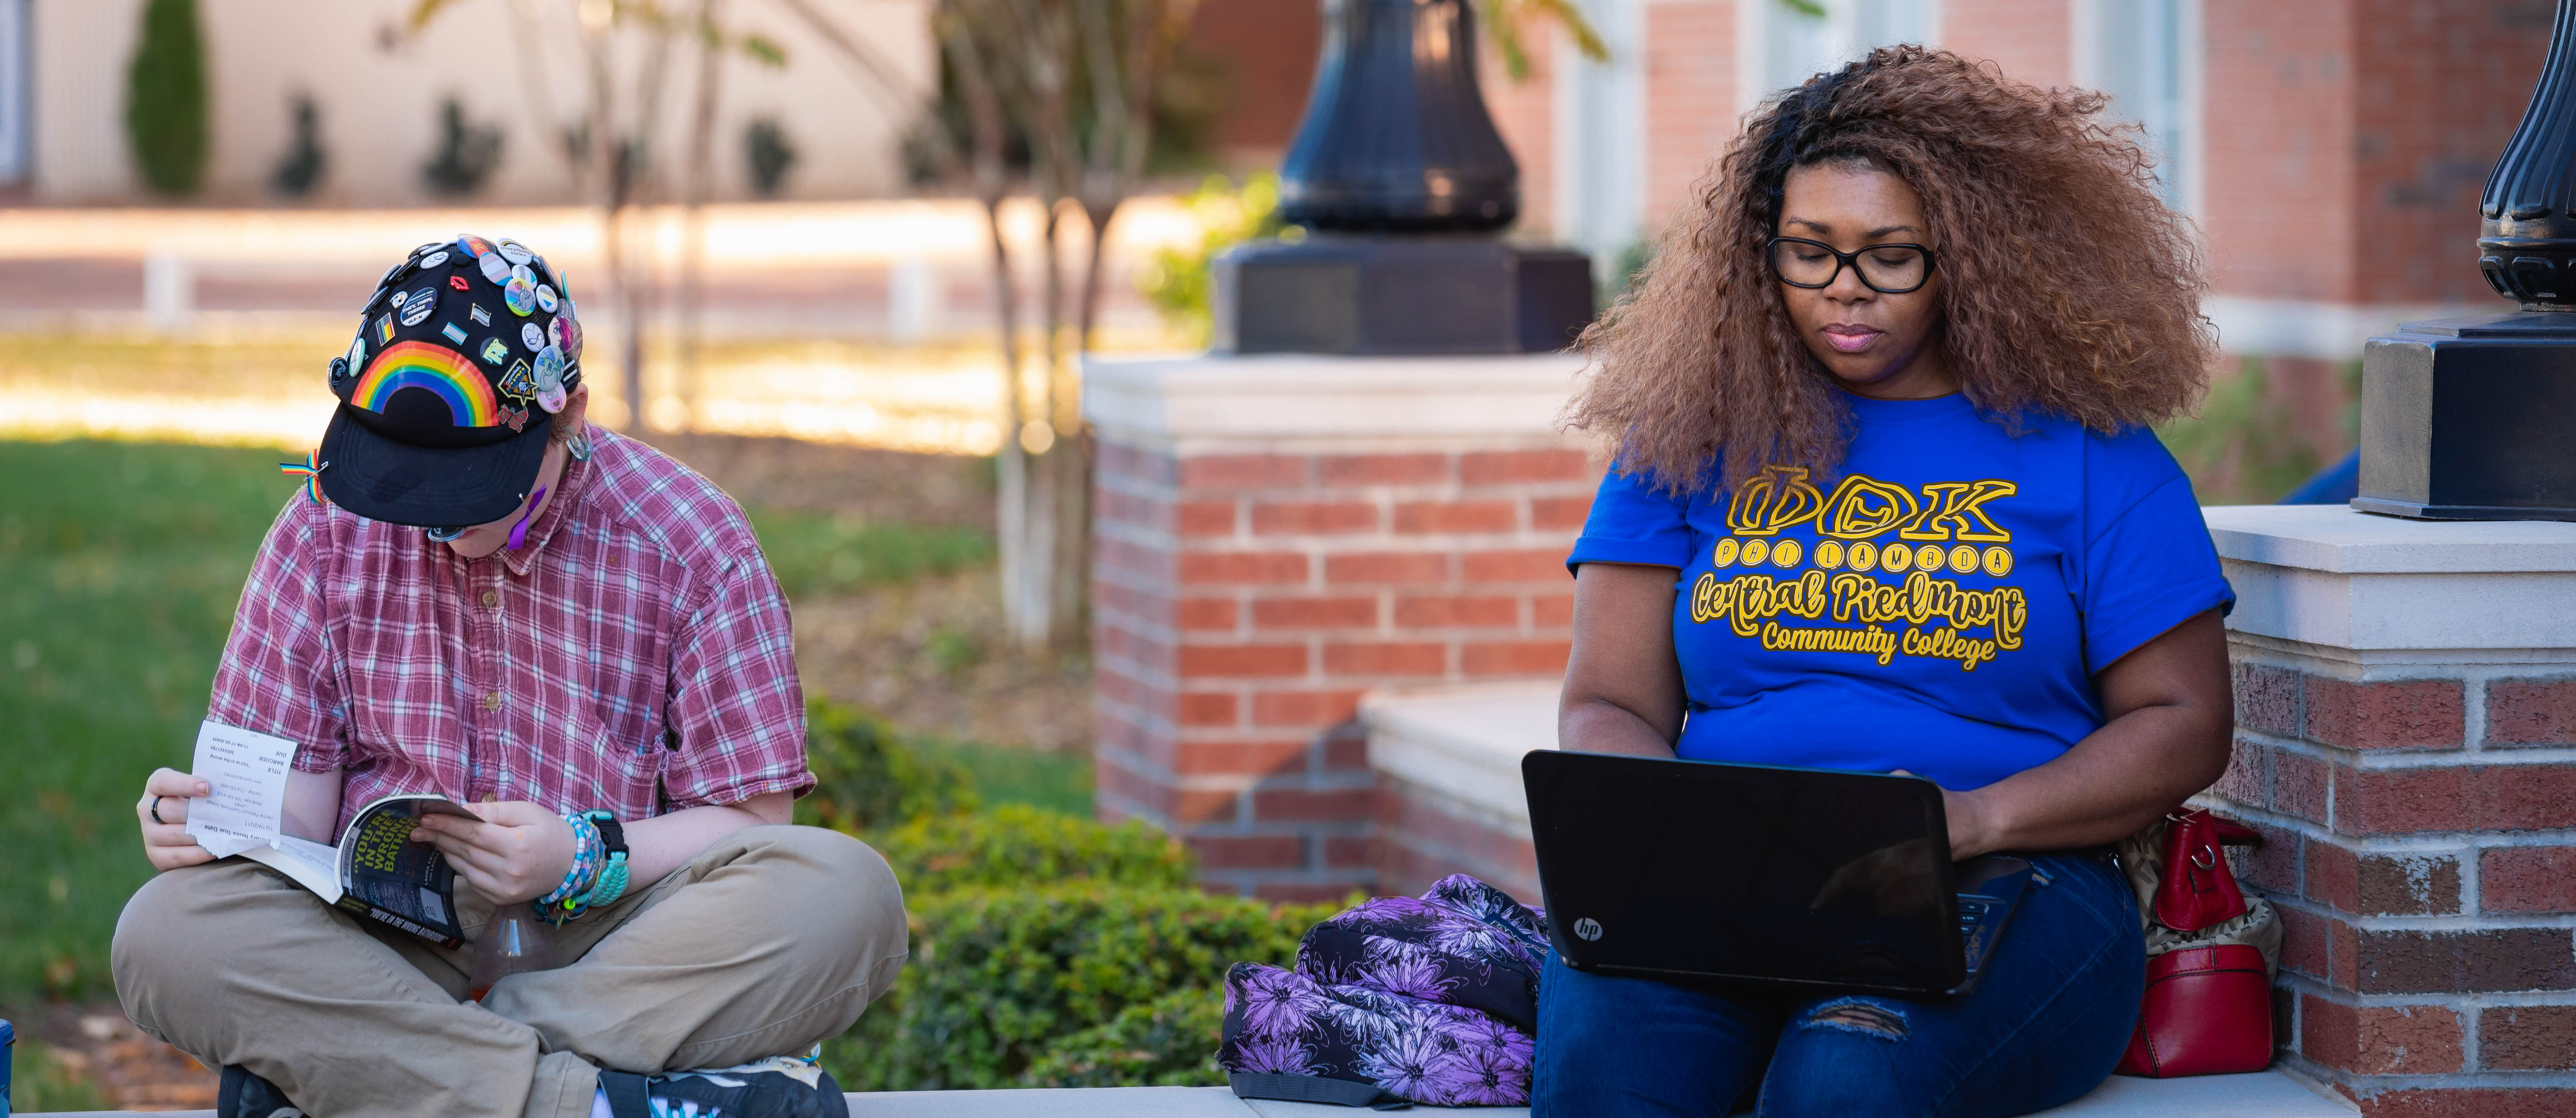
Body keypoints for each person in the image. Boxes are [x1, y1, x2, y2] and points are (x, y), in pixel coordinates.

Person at [1539, 48, 2235, 1118]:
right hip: (1720, 881)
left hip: (2014, 878)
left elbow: (2184, 720)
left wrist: (1974, 819)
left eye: (1890, 255)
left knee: (1845, 1075)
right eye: (1808, 253)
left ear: (1969, 256)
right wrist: (1680, 828)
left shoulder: (2093, 455)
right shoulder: (1688, 440)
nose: (1845, 288)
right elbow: (1609, 701)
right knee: (1609, 1079)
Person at [113, 236, 908, 1118]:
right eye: (406, 487)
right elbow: (293, 822)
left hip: (618, 936)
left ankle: (386, 1069)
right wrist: (207, 824)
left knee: (849, 895)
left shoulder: (693, 539)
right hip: (382, 946)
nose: (437, 525)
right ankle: (603, 1103)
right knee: (163, 935)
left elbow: (757, 822)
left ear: (568, 420)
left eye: (469, 488)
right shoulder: (320, 528)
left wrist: (579, 855)